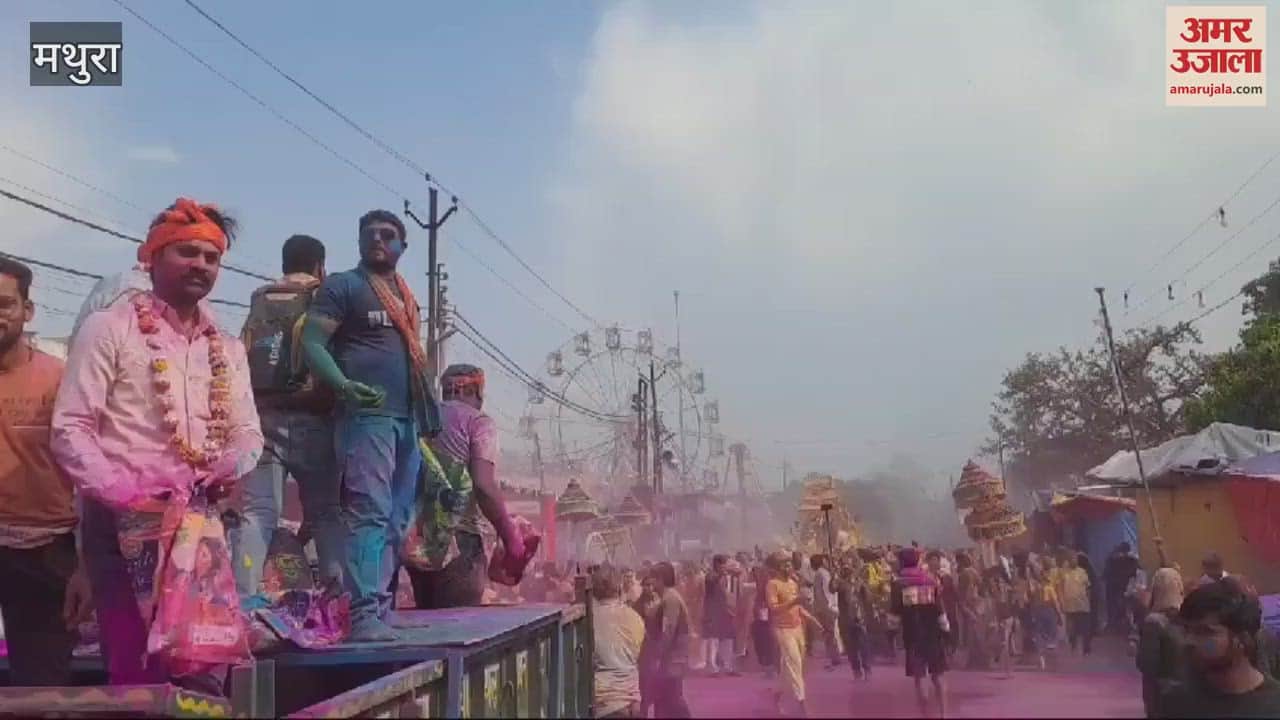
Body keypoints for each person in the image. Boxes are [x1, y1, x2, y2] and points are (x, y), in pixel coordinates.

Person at [52, 198, 264, 692]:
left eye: (211, 258)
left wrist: (229, 464)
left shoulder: (226, 346)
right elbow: (70, 427)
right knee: (135, 671)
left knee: (203, 663)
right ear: (151, 256)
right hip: (122, 520)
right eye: (187, 252)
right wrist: (126, 494)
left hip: (199, 523)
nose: (201, 265)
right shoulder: (109, 327)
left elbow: (249, 433)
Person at [302, 209, 441, 641]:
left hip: (407, 419)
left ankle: (379, 607)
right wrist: (343, 386)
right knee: (369, 514)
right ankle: (362, 615)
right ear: (359, 242)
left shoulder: (406, 297)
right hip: (366, 419)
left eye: (388, 234)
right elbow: (312, 342)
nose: (378, 240)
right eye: (370, 234)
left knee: (398, 520)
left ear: (403, 246)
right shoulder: (344, 286)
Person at [231, 234, 342, 596]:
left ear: (284, 264)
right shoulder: (323, 297)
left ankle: (244, 599)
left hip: (262, 418)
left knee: (258, 513)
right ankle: (336, 600)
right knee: (326, 514)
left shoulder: (261, 300)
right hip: (313, 419)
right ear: (320, 267)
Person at [0, 257, 93, 686]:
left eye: (4, 304)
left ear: (28, 310)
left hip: (46, 553)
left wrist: (86, 566)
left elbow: (92, 476)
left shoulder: (61, 380)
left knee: (42, 686)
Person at [406, 364, 539, 608]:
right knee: (457, 623)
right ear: (477, 393)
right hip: (461, 541)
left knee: (426, 621)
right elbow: (483, 486)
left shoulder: (418, 418)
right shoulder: (478, 422)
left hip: (416, 541)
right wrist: (511, 539)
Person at [1161, 580, 1280, 718]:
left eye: (1205, 632)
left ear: (1242, 639)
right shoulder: (1176, 702)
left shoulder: (1273, 706)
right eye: (1187, 630)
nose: (1188, 641)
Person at [892, 548, 948, 718]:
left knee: (920, 678)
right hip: (933, 635)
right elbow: (940, 609)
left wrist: (891, 632)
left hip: (913, 637)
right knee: (938, 677)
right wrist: (946, 629)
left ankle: (927, 715)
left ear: (903, 562)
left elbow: (894, 614)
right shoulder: (930, 581)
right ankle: (944, 715)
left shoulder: (899, 585)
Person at [767, 551, 819, 717]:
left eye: (789, 564)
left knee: (791, 666)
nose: (789, 567)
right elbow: (773, 609)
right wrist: (794, 602)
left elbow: (798, 607)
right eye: (785, 565)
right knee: (794, 663)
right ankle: (801, 703)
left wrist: (812, 619)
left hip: (797, 628)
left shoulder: (792, 583)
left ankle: (777, 694)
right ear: (777, 568)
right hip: (783, 630)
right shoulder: (772, 584)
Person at [592, 564, 644, 719]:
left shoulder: (589, 620)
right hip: (632, 702)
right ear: (620, 588)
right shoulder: (635, 618)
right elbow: (638, 656)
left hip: (604, 703)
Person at [1137, 566, 1186, 718]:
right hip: (1187, 690)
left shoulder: (1153, 622)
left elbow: (1146, 663)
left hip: (1161, 693)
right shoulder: (1189, 619)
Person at [650, 561, 692, 718]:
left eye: (653, 578)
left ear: (660, 579)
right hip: (671, 657)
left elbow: (668, 631)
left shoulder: (670, 599)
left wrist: (658, 657)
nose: (650, 582)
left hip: (673, 658)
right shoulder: (668, 597)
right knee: (666, 699)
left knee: (673, 699)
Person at [832, 557, 872, 681]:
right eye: (845, 567)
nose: (847, 569)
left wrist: (862, 585)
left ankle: (867, 669)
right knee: (851, 648)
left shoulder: (859, 582)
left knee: (864, 645)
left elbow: (868, 598)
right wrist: (834, 575)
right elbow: (832, 588)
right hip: (846, 620)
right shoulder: (840, 582)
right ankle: (856, 670)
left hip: (859, 619)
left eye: (849, 566)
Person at [702, 554, 739, 676]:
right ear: (718, 564)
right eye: (724, 564)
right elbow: (712, 581)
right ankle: (712, 668)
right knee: (713, 640)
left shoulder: (727, 577)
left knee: (728, 638)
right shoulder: (710, 575)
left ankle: (728, 666)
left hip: (725, 611)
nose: (726, 566)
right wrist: (723, 574)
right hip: (713, 612)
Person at [633, 572, 662, 719]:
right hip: (644, 648)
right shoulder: (637, 605)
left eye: (651, 585)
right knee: (645, 683)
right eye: (646, 585)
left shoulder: (660, 602)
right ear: (642, 586)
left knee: (659, 684)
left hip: (658, 647)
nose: (649, 588)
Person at [811, 554, 843, 670]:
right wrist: (831, 607)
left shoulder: (820, 573)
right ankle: (833, 657)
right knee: (830, 633)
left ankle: (834, 657)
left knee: (829, 633)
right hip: (827, 607)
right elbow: (829, 591)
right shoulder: (823, 573)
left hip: (824, 607)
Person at [1060, 553, 1093, 655]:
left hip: (1082, 605)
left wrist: (1088, 600)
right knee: (1071, 629)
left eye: (1075, 559)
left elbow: (1088, 587)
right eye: (1072, 559)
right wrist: (1062, 602)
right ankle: (1073, 646)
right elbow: (1060, 587)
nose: (1074, 561)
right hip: (1069, 606)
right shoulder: (1064, 572)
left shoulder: (1082, 572)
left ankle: (1086, 648)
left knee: (1085, 628)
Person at [751, 560, 778, 677]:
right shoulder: (764, 580)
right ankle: (769, 666)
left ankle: (770, 666)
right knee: (764, 640)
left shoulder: (768, 581)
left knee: (767, 640)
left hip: (768, 615)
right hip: (764, 615)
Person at [1105, 542, 1140, 634]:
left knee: (1118, 608)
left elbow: (1107, 573)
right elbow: (1136, 571)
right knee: (1125, 608)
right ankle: (1124, 627)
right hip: (1125, 588)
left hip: (1116, 588)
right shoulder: (1132, 559)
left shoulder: (1113, 559)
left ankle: (1116, 626)